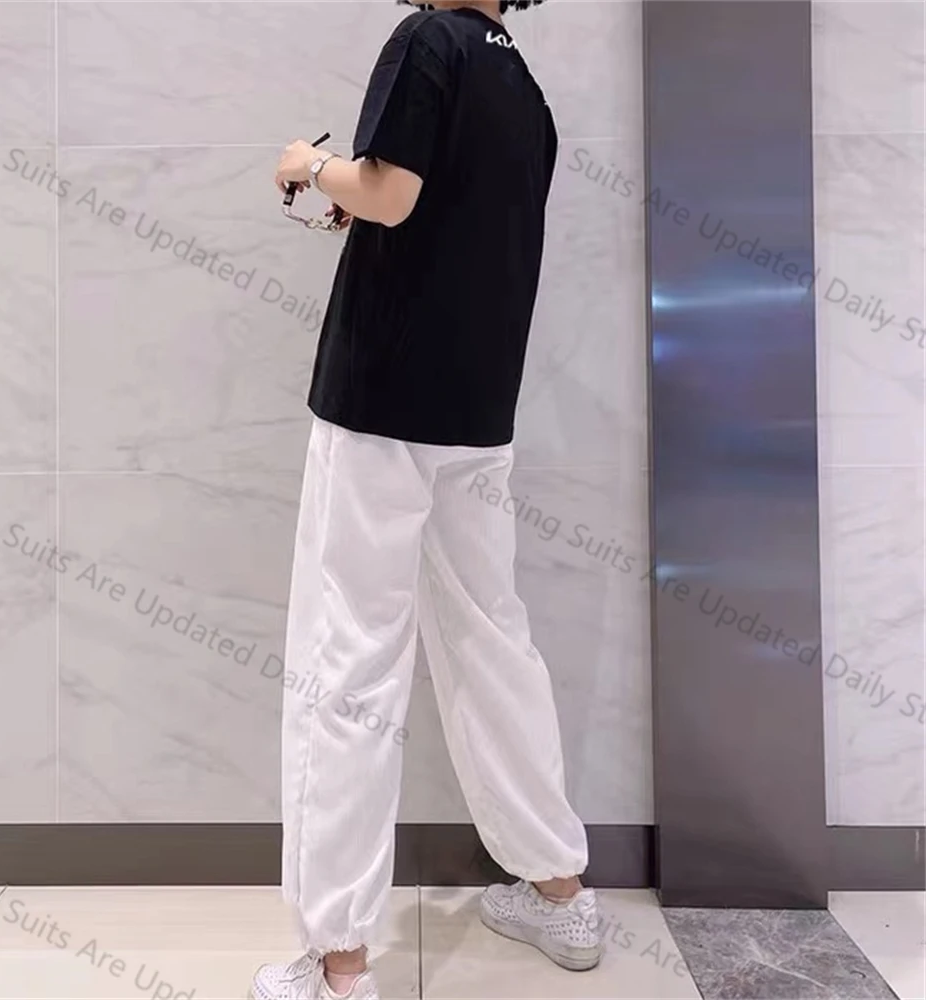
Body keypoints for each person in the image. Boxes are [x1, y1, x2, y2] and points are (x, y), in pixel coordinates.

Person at [254, 2, 600, 997]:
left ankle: (338, 962)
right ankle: (559, 890)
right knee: (492, 638)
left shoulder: (427, 41)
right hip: (475, 412)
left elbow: (391, 194)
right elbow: (449, 222)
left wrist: (309, 164)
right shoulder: (523, 88)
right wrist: (359, 199)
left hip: (380, 407)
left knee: (349, 654)